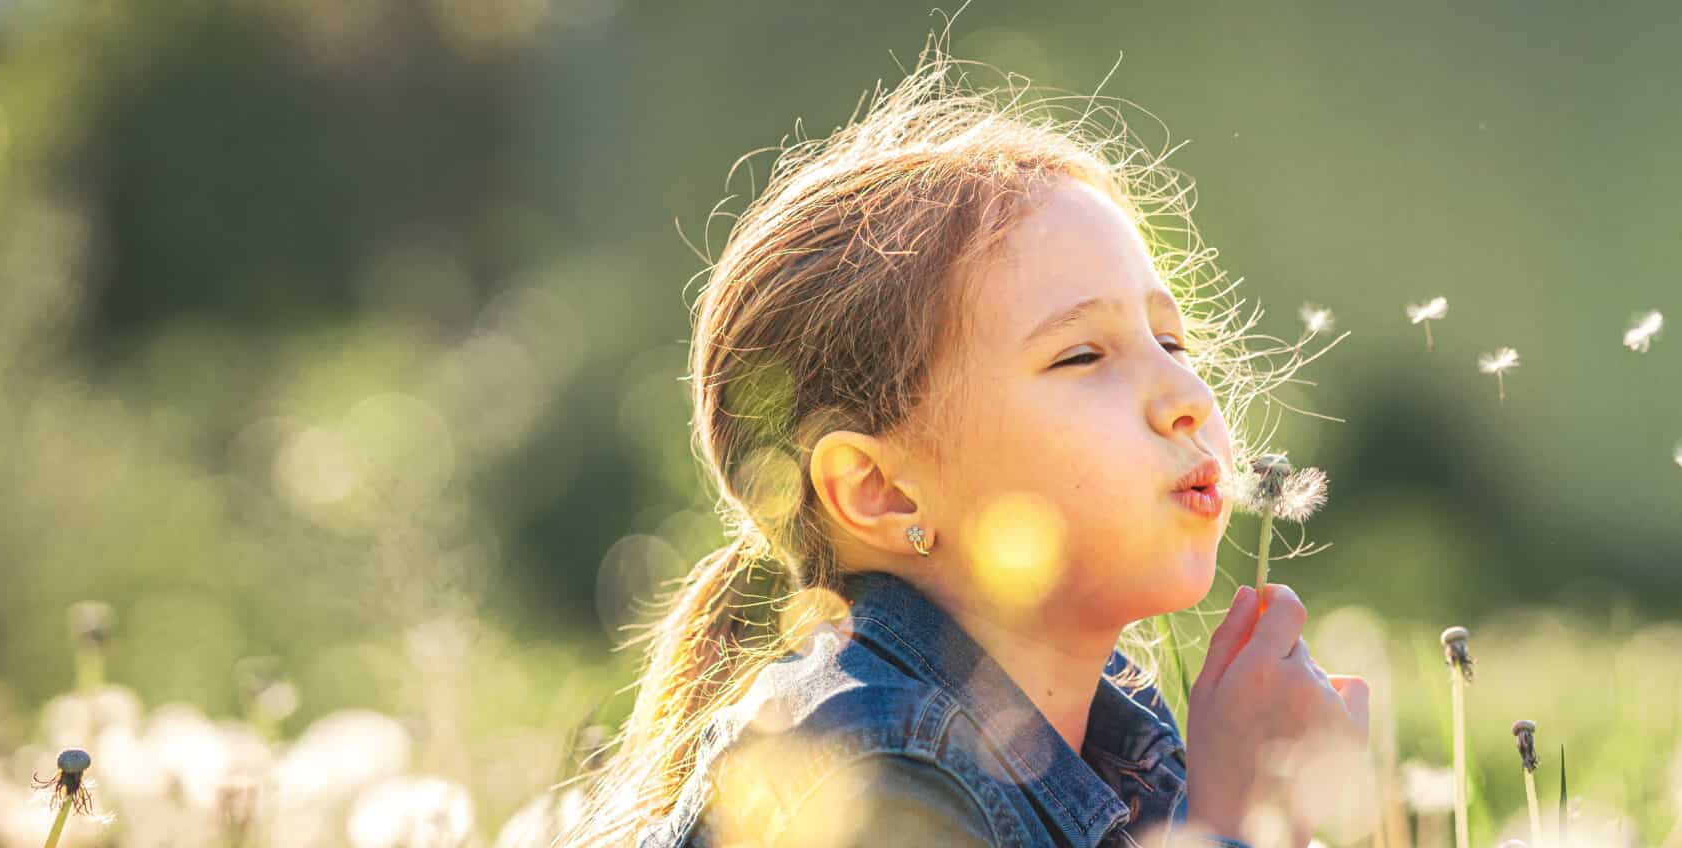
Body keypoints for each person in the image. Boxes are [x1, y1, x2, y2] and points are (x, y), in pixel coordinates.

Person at [553, 32, 1371, 848]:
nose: (1188, 398)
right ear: (882, 491)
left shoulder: (1127, 752)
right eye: (1083, 355)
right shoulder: (864, 768)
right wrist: (1245, 822)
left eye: (1173, 343)